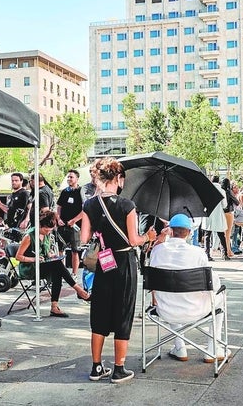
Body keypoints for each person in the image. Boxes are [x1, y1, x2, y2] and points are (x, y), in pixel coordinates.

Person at [80, 157, 156, 384]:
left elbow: (84, 237)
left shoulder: (89, 205)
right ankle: (119, 368)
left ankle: (96, 367)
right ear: (117, 178)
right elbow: (134, 240)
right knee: (123, 313)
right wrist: (148, 237)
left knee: (99, 313)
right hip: (124, 262)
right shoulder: (127, 205)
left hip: (104, 263)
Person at [149, 214, 226, 363]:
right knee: (220, 297)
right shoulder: (197, 253)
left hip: (165, 309)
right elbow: (214, 284)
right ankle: (212, 347)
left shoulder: (157, 251)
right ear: (189, 233)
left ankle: (179, 345)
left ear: (170, 231)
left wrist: (160, 238)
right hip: (193, 310)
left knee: (171, 293)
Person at [15, 209, 90, 317]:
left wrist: (51, 255)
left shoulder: (47, 235)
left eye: (50, 230)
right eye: (46, 230)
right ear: (40, 226)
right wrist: (34, 259)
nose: (48, 232)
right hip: (29, 267)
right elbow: (18, 257)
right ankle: (78, 289)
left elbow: (46, 251)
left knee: (57, 269)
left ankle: (55, 306)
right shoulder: (29, 236)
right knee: (57, 266)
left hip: (43, 265)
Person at [56, 169, 84, 275]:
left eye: (71, 177)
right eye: (68, 177)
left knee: (75, 250)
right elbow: (59, 206)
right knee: (60, 249)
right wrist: (58, 219)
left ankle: (74, 274)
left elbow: (84, 209)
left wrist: (74, 220)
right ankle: (61, 272)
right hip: (62, 225)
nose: (69, 179)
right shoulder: (64, 192)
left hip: (75, 226)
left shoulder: (81, 192)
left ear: (77, 179)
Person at [203, 176, 229, 260]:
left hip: (208, 214)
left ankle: (207, 254)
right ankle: (224, 254)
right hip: (218, 213)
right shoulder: (222, 191)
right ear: (218, 182)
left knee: (207, 235)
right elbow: (224, 205)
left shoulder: (206, 190)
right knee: (221, 234)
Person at [220, 178, 238, 258]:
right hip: (229, 212)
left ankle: (224, 251)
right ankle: (228, 251)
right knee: (227, 234)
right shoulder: (228, 191)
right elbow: (237, 202)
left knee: (223, 233)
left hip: (221, 213)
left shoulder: (220, 191)